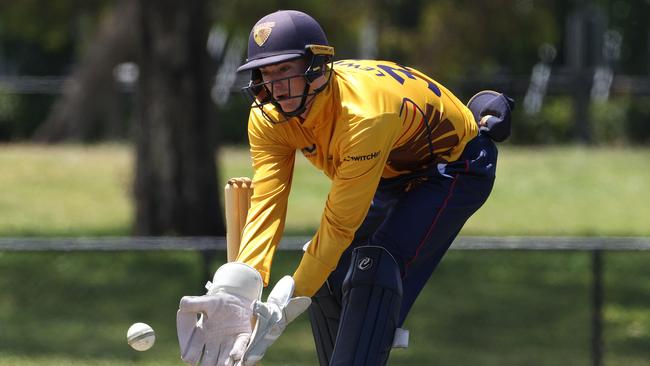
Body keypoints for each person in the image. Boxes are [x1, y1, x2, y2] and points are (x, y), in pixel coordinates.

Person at [176, 9, 514, 366]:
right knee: (326, 271)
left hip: (455, 166)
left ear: (317, 66)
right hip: (390, 170)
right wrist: (241, 287)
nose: (276, 86)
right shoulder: (267, 117)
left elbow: (339, 226)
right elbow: (267, 201)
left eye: (286, 70)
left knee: (374, 264)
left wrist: (282, 306)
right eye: (267, 73)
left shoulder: (363, 117)